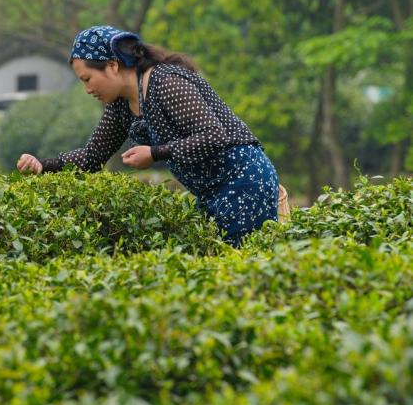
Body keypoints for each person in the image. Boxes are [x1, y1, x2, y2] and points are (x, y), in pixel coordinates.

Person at [16, 25, 280, 246]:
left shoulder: (166, 83)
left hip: (243, 179)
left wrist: (154, 153)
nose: (87, 89)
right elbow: (92, 157)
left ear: (112, 66)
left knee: (234, 268)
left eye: (88, 79)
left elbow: (213, 136)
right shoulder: (121, 104)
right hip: (210, 191)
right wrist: (44, 165)